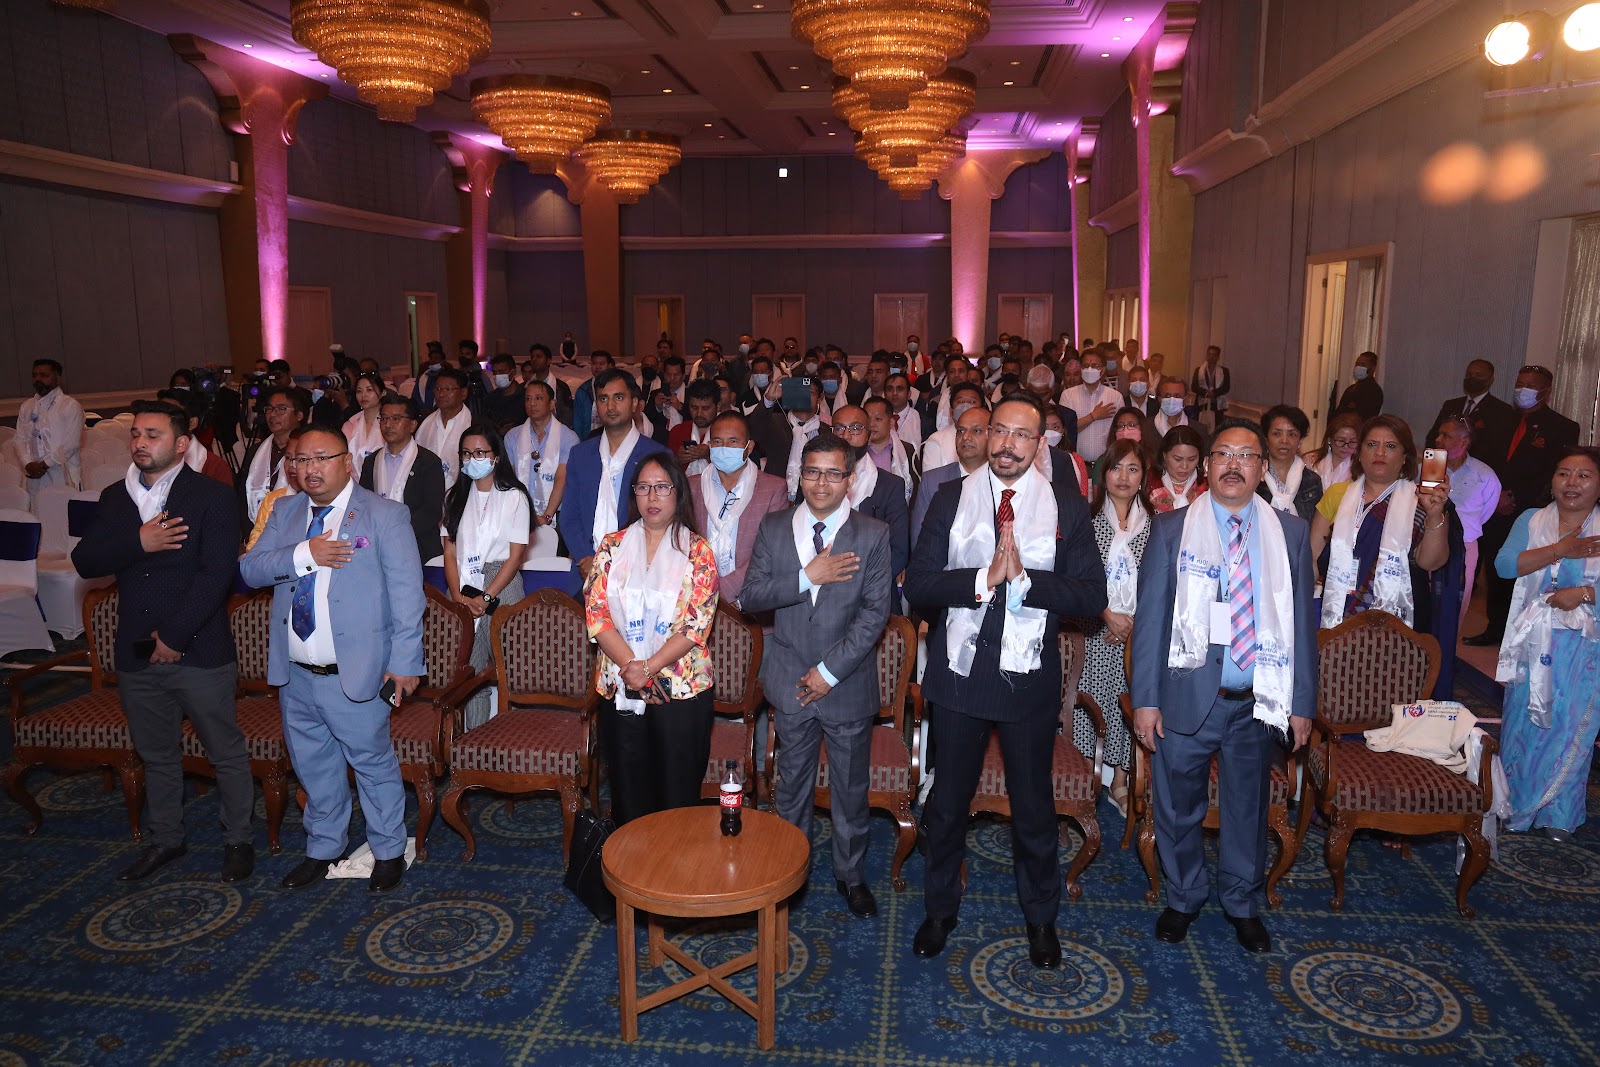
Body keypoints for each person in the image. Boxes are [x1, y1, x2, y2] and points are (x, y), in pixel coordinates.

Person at [906, 393, 1106, 967]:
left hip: (1028, 682)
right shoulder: (950, 497)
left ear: (1039, 444)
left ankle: (1041, 919)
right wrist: (982, 578)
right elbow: (919, 584)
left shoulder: (1066, 505)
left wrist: (1027, 582)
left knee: (1034, 810)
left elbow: (1091, 595)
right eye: (999, 431)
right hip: (959, 677)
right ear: (987, 435)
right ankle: (939, 910)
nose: (1007, 445)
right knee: (947, 805)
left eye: (1022, 435)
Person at [1130, 419, 1317, 953]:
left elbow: (1302, 626)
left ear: (1262, 469)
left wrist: (1301, 703)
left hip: (1259, 701)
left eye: (1247, 456)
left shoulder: (1290, 533)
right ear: (1207, 465)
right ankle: (1184, 896)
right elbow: (1150, 622)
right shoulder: (1170, 529)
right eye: (1223, 454)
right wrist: (1145, 700)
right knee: (1177, 806)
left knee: (1247, 810)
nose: (1234, 465)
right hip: (1186, 696)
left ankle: (1241, 902)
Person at [72, 399, 253, 883]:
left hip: (200, 647)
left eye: (153, 435)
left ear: (182, 443)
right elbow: (85, 561)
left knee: (224, 752)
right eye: (136, 434)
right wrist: (139, 542)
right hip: (136, 650)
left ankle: (238, 839)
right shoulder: (116, 497)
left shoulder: (212, 496)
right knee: (157, 754)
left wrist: (174, 636)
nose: (140, 442)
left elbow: (217, 574)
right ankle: (167, 839)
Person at [239, 425, 426, 893]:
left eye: (321, 458)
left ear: (348, 462)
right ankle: (324, 847)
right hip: (296, 672)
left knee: (372, 764)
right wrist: (306, 553)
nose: (310, 469)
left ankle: (388, 850)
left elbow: (408, 594)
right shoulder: (284, 511)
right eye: (301, 460)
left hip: (357, 671)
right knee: (313, 766)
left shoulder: (385, 515)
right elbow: (250, 569)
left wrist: (406, 662)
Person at [740, 433, 893, 917]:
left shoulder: (873, 534)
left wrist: (828, 672)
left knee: (850, 789)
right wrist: (808, 576)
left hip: (845, 683)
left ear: (850, 479)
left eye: (832, 473)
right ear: (799, 475)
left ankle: (851, 875)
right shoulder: (773, 526)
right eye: (812, 472)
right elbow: (752, 596)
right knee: (790, 788)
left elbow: (875, 615)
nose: (821, 483)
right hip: (789, 680)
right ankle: (789, 870)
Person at [584, 455, 719, 824]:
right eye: (643, 487)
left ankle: (674, 861)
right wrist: (633, 667)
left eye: (662, 487)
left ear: (678, 493)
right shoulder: (612, 546)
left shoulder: (698, 551)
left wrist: (648, 667)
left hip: (680, 688)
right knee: (629, 791)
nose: (652, 496)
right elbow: (597, 613)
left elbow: (695, 624)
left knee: (676, 795)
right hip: (622, 684)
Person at [1311, 415, 1464, 694]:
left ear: (1405, 457)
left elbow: (1431, 561)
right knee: (1337, 695)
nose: (1380, 452)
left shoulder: (1422, 501)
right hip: (1338, 613)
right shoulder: (1337, 494)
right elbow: (1313, 556)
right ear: (1359, 453)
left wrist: (1434, 514)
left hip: (1401, 620)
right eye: (1371, 444)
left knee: (1391, 696)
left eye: (1390, 446)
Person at [1495, 446, 1600, 842]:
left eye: (1583, 475)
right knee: (1524, 721)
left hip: (1585, 647)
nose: (1571, 482)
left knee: (1569, 727)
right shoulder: (1532, 519)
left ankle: (1559, 812)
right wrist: (1560, 550)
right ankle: (1514, 804)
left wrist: (1584, 594)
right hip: (1531, 638)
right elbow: (1505, 566)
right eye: (1563, 473)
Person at [1468, 365, 1581, 647]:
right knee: (1497, 569)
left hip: (1532, 511)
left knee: (1528, 573)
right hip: (1495, 507)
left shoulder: (1563, 427)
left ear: (1545, 392)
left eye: (1530, 385)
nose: (1522, 390)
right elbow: (1484, 460)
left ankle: (1523, 631)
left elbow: (1554, 472)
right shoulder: (1500, 420)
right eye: (1519, 383)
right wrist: (1496, 496)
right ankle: (1496, 628)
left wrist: (1514, 497)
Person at [1076, 438, 1151, 818]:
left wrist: (1133, 626)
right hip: (1093, 630)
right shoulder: (1086, 523)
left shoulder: (1156, 527)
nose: (1124, 476)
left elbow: (1161, 585)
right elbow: (1076, 578)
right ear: (1103, 474)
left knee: (1128, 704)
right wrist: (1106, 614)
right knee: (1086, 703)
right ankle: (1082, 777)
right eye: (1116, 467)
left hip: (1136, 638)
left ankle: (1121, 780)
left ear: (1143, 478)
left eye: (1132, 469)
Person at [441, 424, 532, 729]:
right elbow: (449, 553)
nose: (473, 459)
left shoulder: (514, 496)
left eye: (480, 453)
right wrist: (458, 597)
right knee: (470, 670)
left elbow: (516, 556)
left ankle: (513, 740)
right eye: (467, 454)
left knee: (511, 669)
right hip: (463, 585)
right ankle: (474, 740)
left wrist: (487, 596)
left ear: (496, 457)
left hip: (501, 583)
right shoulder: (454, 497)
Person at [559, 368, 670, 578]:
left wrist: (617, 561)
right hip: (587, 568)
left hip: (641, 569)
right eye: (603, 399)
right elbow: (569, 517)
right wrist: (587, 558)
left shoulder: (657, 456)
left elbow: (664, 520)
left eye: (618, 397)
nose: (610, 406)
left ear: (634, 403)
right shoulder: (580, 455)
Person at [688, 410, 789, 603]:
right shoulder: (692, 486)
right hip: (697, 598)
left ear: (749, 447)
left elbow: (770, 553)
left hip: (749, 603)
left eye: (733, 441)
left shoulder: (773, 489)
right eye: (717, 441)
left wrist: (719, 592)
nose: (724, 448)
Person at [358, 394, 446, 568]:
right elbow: (363, 503)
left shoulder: (429, 462)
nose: (388, 424)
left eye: (396, 419)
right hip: (378, 546)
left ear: (412, 425)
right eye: (384, 418)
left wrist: (396, 532)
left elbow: (432, 511)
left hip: (419, 548)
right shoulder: (371, 462)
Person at [830, 405, 910, 583]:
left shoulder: (890, 485)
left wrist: (859, 587)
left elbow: (898, 551)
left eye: (855, 428)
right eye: (839, 428)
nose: (846, 435)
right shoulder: (816, 481)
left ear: (869, 434)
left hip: (872, 587)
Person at [1436, 416, 1501, 632]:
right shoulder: (1424, 470)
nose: (1438, 439)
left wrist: (1463, 529)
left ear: (1464, 442)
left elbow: (1487, 511)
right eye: (1439, 434)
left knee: (1459, 597)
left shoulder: (1484, 475)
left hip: (1465, 544)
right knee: (1425, 594)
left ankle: (1449, 644)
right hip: (1427, 540)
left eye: (1446, 435)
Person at [504, 381, 572, 550]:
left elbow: (562, 478)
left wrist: (547, 516)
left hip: (556, 516)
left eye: (539, 398)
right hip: (518, 513)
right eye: (528, 399)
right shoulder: (512, 436)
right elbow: (510, 478)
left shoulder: (568, 437)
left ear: (552, 404)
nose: (532, 403)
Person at [912, 404, 990, 549]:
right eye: (960, 431)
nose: (965, 437)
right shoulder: (933, 481)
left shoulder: (1002, 480)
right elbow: (919, 542)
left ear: (992, 436)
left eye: (976, 431)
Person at [238, 386, 307, 532]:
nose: (273, 414)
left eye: (281, 409)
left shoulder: (308, 451)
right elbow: (243, 495)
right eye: (269, 409)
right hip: (255, 530)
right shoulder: (256, 451)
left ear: (299, 415)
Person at [13, 358, 84, 500]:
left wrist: (45, 465)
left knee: (64, 512)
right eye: (34, 375)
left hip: (62, 474)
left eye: (44, 375)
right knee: (38, 511)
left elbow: (71, 444)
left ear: (57, 377)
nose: (38, 379)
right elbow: (19, 440)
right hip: (34, 475)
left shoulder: (70, 405)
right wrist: (27, 463)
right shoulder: (27, 406)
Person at [1426, 358, 1514, 463]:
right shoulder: (1450, 405)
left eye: (1478, 375)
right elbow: (1433, 438)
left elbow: (1497, 449)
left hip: (1478, 469)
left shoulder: (1501, 411)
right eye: (1468, 375)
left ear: (1490, 380)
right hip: (1443, 465)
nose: (1472, 378)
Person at [1256, 405, 1324, 522]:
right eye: (1277, 434)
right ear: (1266, 439)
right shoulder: (1255, 478)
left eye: (1292, 434)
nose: (1284, 440)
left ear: (1300, 441)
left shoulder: (1312, 482)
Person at [415, 367, 473, 491]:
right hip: (429, 493)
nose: (441, 394)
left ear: (463, 393)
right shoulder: (425, 424)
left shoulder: (473, 424)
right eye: (438, 389)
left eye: (448, 389)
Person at [1060, 349, 1119, 462]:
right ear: (1081, 369)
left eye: (1095, 366)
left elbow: (1120, 432)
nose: (1090, 369)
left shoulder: (1115, 397)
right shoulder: (1068, 395)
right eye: (1086, 366)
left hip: (1106, 463)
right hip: (1076, 463)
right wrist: (1093, 416)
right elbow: (1065, 430)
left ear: (1103, 370)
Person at [861, 397, 918, 504]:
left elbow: (916, 489)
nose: (871, 424)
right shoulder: (857, 450)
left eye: (878, 419)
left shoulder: (907, 450)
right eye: (867, 419)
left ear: (891, 422)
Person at [667, 380, 719, 476]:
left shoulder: (727, 433)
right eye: (694, 408)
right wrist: (677, 460)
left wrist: (710, 455)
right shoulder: (677, 431)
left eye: (705, 408)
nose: (699, 414)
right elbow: (666, 470)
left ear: (718, 406)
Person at [1149, 425, 1207, 512]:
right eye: (1177, 459)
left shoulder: (1207, 485)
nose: (1184, 466)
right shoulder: (1149, 482)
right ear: (1164, 455)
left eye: (1191, 459)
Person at [342, 372, 387, 475]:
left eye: (369, 390)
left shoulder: (389, 423)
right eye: (359, 391)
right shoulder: (350, 425)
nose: (363, 395)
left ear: (383, 393)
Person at [522, 344, 574, 427]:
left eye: (538, 357)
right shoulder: (524, 387)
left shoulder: (561, 387)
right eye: (532, 357)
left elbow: (567, 415)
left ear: (548, 361)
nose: (534, 360)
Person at [1307, 412, 1361, 489]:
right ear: (1329, 440)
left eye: (1352, 442)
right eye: (1341, 441)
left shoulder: (1361, 466)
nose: (1346, 446)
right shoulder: (1310, 460)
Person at [571, 349, 613, 440]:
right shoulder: (583, 390)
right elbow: (577, 422)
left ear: (609, 366)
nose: (597, 367)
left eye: (601, 364)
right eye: (594, 364)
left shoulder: (617, 389)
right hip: (587, 440)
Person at [1189, 345, 1230, 432]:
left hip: (1217, 405)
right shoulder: (1199, 370)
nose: (1211, 357)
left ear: (1218, 357)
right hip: (1201, 404)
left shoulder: (1224, 371)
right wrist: (1206, 393)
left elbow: (1226, 387)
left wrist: (1214, 393)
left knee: (1216, 429)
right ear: (1206, 355)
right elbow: (1194, 386)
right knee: (1201, 428)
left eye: (1214, 355)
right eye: (1209, 354)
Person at [1334, 351, 1384, 421]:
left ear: (1373, 368)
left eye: (1363, 365)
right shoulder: (1351, 389)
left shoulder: (1375, 391)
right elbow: (1339, 413)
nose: (1358, 367)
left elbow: (1366, 416)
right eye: (1357, 364)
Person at [485, 353, 525, 431]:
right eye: (495, 372)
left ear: (513, 372)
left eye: (501, 372)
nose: (497, 375)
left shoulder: (525, 397)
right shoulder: (490, 398)